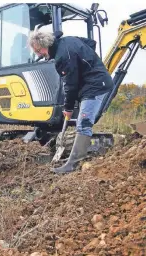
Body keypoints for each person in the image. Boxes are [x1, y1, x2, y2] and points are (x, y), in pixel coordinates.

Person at [28, 30, 113, 173]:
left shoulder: (62, 57)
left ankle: (72, 165)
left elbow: (70, 86)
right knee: (83, 122)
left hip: (96, 86)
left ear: (42, 47)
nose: (39, 56)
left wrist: (67, 108)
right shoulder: (68, 40)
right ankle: (74, 162)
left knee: (84, 124)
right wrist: (85, 64)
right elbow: (91, 43)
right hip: (93, 83)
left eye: (38, 52)